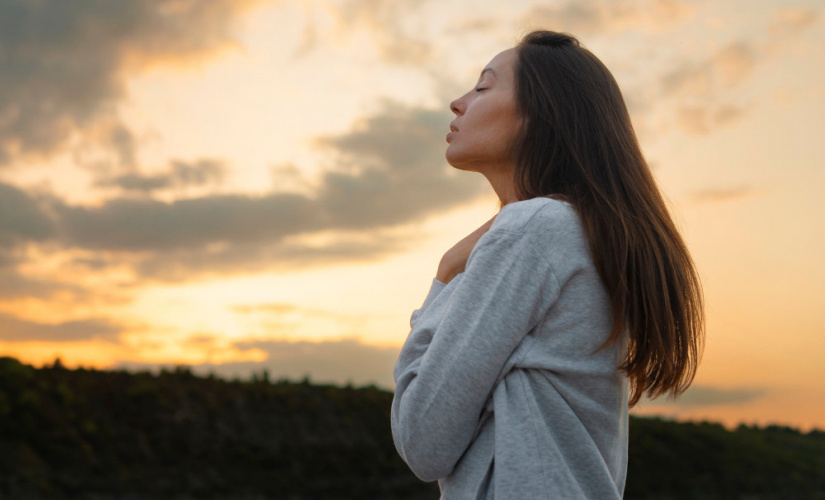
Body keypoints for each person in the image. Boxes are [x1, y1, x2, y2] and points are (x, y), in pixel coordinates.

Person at [390, 30, 705, 499]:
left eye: (482, 88)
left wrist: (444, 276)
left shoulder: (534, 229)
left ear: (540, 112)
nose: (458, 103)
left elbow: (422, 440)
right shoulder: (579, 231)